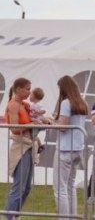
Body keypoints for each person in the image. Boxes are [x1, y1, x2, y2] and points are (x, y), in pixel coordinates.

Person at [52, 75, 89, 219]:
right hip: (78, 148)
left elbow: (63, 127)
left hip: (65, 148)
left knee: (60, 189)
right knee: (70, 186)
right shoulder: (82, 102)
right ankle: (72, 217)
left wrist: (51, 123)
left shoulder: (66, 103)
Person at [4, 78, 35, 220]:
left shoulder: (25, 105)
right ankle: (9, 216)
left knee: (27, 187)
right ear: (18, 89)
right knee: (19, 187)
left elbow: (28, 122)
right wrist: (33, 125)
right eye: (27, 89)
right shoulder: (13, 105)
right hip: (19, 147)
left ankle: (14, 215)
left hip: (28, 145)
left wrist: (37, 121)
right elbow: (15, 128)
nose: (29, 92)